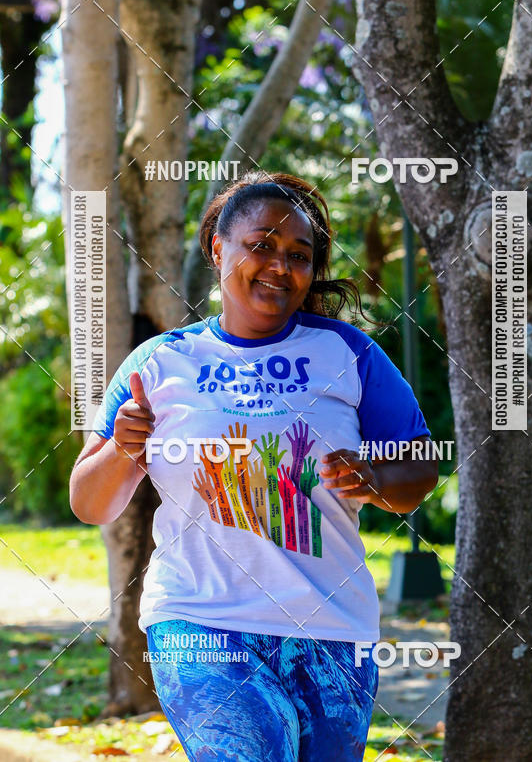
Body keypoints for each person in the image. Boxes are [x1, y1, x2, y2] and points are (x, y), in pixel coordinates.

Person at [70, 171, 437, 762]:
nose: (279, 265)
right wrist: (123, 447)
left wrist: (376, 479)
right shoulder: (161, 363)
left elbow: (419, 470)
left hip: (333, 629)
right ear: (219, 247)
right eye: (260, 244)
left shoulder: (349, 353)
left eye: (299, 254)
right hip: (200, 621)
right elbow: (89, 503)